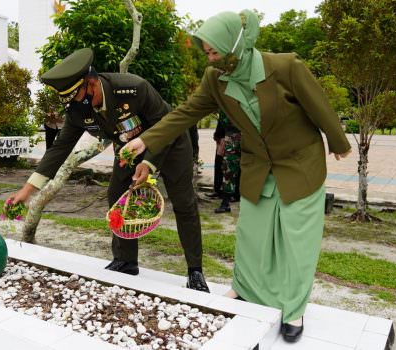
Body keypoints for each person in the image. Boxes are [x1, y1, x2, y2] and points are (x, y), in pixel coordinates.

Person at [121, 10, 352, 343]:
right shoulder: (215, 79)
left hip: (300, 162)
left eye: (214, 50)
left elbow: (318, 104)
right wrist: (146, 140)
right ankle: (244, 289)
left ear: (235, 43)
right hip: (259, 165)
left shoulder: (285, 67)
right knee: (252, 235)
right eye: (207, 52)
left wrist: (338, 141)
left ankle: (293, 308)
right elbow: (186, 112)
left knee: (297, 240)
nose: (210, 57)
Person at [7, 48, 210, 293]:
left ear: (91, 83)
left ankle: (195, 271)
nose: (73, 103)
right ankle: (126, 261)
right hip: (129, 149)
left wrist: (149, 164)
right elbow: (59, 148)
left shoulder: (134, 88)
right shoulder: (78, 109)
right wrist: (27, 191)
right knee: (116, 194)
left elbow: (164, 125)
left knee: (184, 203)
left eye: (76, 95)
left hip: (171, 142)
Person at [214, 110, 241, 213]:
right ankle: (226, 202)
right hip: (232, 138)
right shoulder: (226, 102)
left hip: (239, 138)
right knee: (228, 171)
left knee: (230, 171)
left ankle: (230, 200)